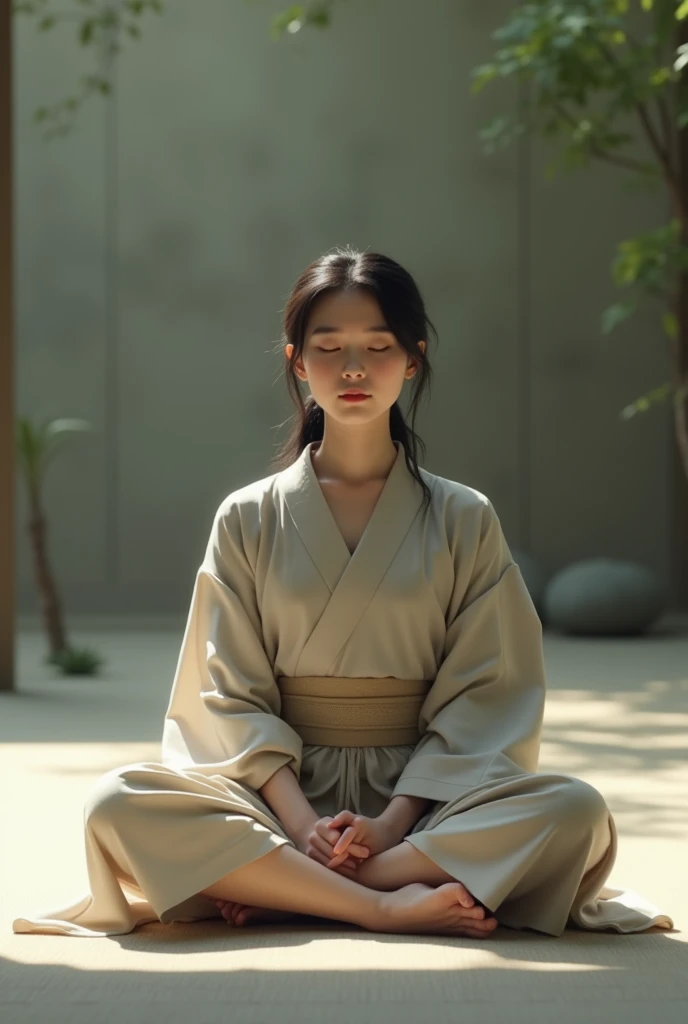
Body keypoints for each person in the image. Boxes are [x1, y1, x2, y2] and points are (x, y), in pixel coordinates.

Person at [13, 247, 673, 939]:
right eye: (329, 348)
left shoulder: (463, 516)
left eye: (377, 347)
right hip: (278, 799)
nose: (353, 367)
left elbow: (487, 692)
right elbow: (227, 693)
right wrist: (302, 827)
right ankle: (378, 903)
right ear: (299, 362)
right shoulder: (248, 515)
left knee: (575, 810)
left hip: (426, 803)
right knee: (116, 801)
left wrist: (388, 827)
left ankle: (288, 890)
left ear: (413, 359)